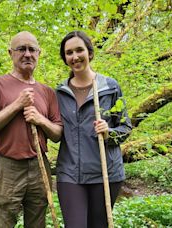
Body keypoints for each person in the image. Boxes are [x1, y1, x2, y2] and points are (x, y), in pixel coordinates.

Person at [0, 31, 63, 228]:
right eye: (21, 49)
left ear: (39, 53)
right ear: (10, 53)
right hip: (7, 166)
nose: (27, 54)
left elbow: (58, 134)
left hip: (39, 164)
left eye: (32, 49)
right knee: (2, 222)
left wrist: (41, 120)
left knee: (37, 222)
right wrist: (17, 104)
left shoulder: (47, 92)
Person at [55, 30, 132, 228]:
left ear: (89, 53)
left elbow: (125, 127)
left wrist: (109, 132)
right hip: (70, 174)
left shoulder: (110, 87)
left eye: (79, 50)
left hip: (106, 172)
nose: (75, 56)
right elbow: (54, 130)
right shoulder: (59, 93)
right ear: (65, 58)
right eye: (69, 52)